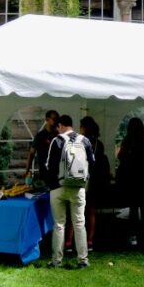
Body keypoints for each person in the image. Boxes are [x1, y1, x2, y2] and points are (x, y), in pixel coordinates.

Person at [44, 114, 95, 268]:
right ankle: (83, 260)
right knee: (79, 223)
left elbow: (49, 166)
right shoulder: (85, 140)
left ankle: (56, 260)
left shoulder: (57, 141)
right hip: (78, 187)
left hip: (58, 188)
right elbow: (92, 163)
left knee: (59, 224)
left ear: (60, 126)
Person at [66, 116, 108, 253]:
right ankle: (89, 241)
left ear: (84, 127)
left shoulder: (79, 142)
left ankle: (69, 241)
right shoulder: (98, 144)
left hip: (80, 180)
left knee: (75, 211)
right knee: (91, 212)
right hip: (94, 180)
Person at [116, 116, 144, 246]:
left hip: (131, 178)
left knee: (133, 208)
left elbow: (120, 157)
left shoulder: (128, 141)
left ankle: (133, 235)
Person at [26, 109, 59, 186]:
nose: (57, 121)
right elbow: (31, 153)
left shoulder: (59, 135)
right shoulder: (40, 136)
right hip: (44, 172)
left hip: (57, 172)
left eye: (57, 119)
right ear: (47, 120)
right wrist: (27, 170)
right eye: (54, 119)